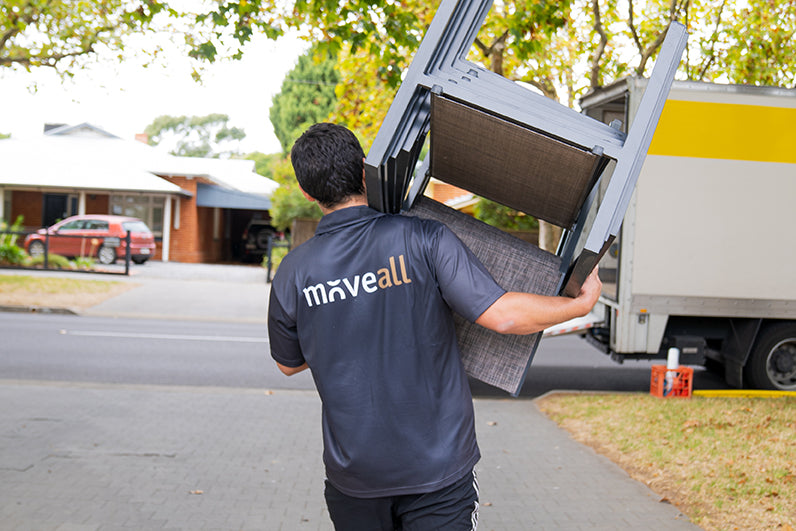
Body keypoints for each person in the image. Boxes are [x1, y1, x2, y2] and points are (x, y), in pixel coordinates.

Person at [268, 122, 602, 530]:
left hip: (354, 478)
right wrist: (578, 304)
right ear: (363, 170)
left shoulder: (293, 272)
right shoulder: (423, 238)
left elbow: (288, 363)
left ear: (307, 192)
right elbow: (503, 315)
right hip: (437, 470)